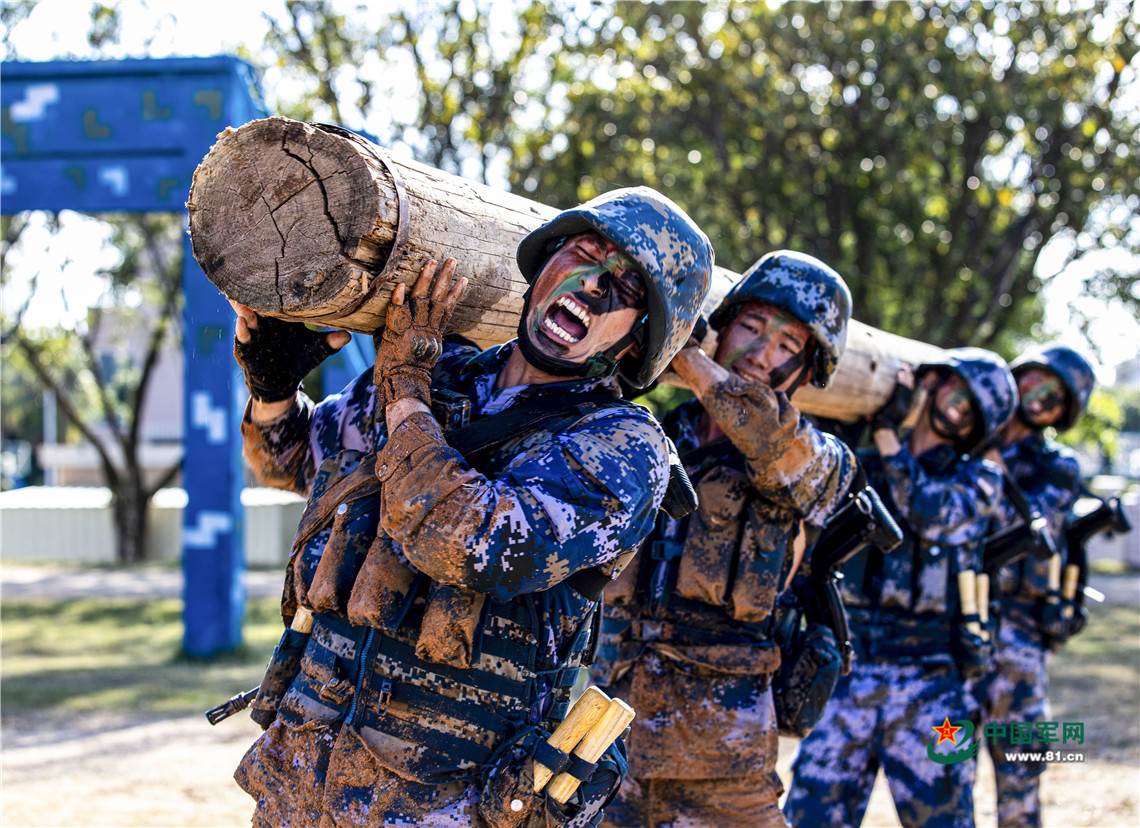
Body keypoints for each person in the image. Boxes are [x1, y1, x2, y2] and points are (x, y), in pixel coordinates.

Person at [228, 186, 713, 827]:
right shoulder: (440, 368)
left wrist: (404, 391)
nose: (595, 285)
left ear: (633, 344)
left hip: (443, 799)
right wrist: (271, 389)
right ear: (543, 268)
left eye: (625, 290)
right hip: (306, 779)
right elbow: (294, 463)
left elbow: (470, 544)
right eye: (585, 254)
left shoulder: (623, 447)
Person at [591, 250, 859, 828]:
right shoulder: (651, 431)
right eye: (752, 329)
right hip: (606, 736)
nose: (762, 355)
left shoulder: (817, 461)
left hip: (724, 760)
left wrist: (685, 359)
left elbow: (769, 438)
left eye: (788, 346)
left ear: (809, 371)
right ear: (724, 325)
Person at [785, 347, 1018, 828]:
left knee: (947, 815)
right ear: (932, 384)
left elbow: (931, 513)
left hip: (934, 684)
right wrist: (862, 431)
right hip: (849, 674)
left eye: (974, 406)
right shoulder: (863, 461)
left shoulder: (981, 479)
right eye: (956, 389)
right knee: (811, 814)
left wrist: (889, 432)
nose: (960, 405)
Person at [971, 344, 1095, 828]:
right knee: (945, 766)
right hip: (957, 634)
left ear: (1063, 413)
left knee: (1021, 770)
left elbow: (1027, 528)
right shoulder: (961, 433)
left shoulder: (1057, 467)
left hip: (1019, 638)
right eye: (1035, 379)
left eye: (1055, 395)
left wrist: (989, 460)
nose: (1039, 395)